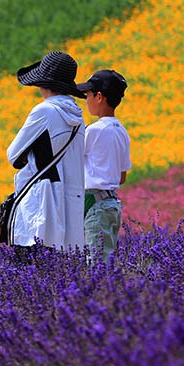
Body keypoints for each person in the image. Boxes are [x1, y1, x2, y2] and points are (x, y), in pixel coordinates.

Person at [5, 51, 86, 261]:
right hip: (70, 203)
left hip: (40, 202)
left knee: (31, 272)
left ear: (43, 83)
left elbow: (13, 155)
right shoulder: (77, 115)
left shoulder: (44, 111)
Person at [77, 69, 131, 262]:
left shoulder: (93, 131)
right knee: (107, 259)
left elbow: (73, 158)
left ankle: (103, 293)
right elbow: (122, 177)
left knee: (96, 264)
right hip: (112, 205)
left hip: (96, 205)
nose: (86, 100)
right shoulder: (121, 131)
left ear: (99, 97)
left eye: (88, 95)